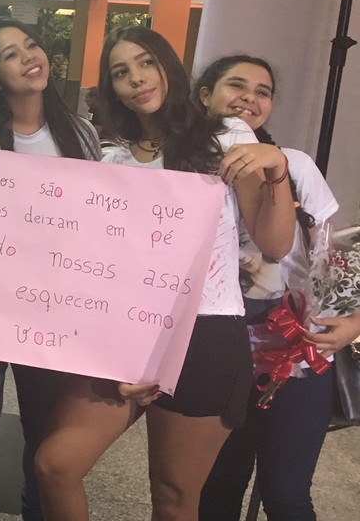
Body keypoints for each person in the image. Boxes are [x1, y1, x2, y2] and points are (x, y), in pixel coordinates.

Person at [33, 27, 296, 521]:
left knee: (174, 498)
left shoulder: (228, 136)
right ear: (111, 89)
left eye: (146, 63)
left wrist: (277, 168)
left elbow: (275, 243)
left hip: (206, 330)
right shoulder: (110, 158)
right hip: (127, 328)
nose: (136, 78)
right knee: (55, 464)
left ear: (169, 68)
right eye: (120, 72)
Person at [195, 55, 360, 521]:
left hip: (297, 354)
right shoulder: (183, 168)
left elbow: (340, 257)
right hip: (218, 352)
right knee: (215, 490)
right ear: (205, 95)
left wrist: (353, 324)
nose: (249, 97)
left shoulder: (295, 165)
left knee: (286, 496)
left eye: (262, 91)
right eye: (236, 85)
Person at [0, 17, 101, 521]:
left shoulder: (78, 132)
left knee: (44, 430)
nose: (29, 57)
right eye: (12, 54)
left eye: (32, 46)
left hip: (53, 308)